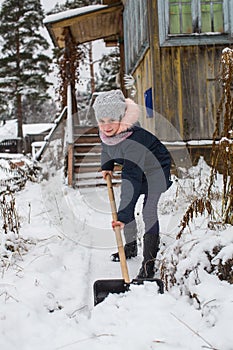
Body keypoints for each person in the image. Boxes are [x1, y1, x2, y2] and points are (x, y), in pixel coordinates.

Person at [93, 90, 172, 279]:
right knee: (125, 202)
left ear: (122, 117)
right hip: (136, 169)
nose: (106, 126)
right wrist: (107, 166)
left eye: (111, 119)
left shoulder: (133, 140)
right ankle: (130, 248)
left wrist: (122, 215)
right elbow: (106, 148)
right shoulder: (108, 133)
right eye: (101, 121)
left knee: (148, 211)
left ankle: (148, 264)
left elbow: (131, 177)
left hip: (155, 171)